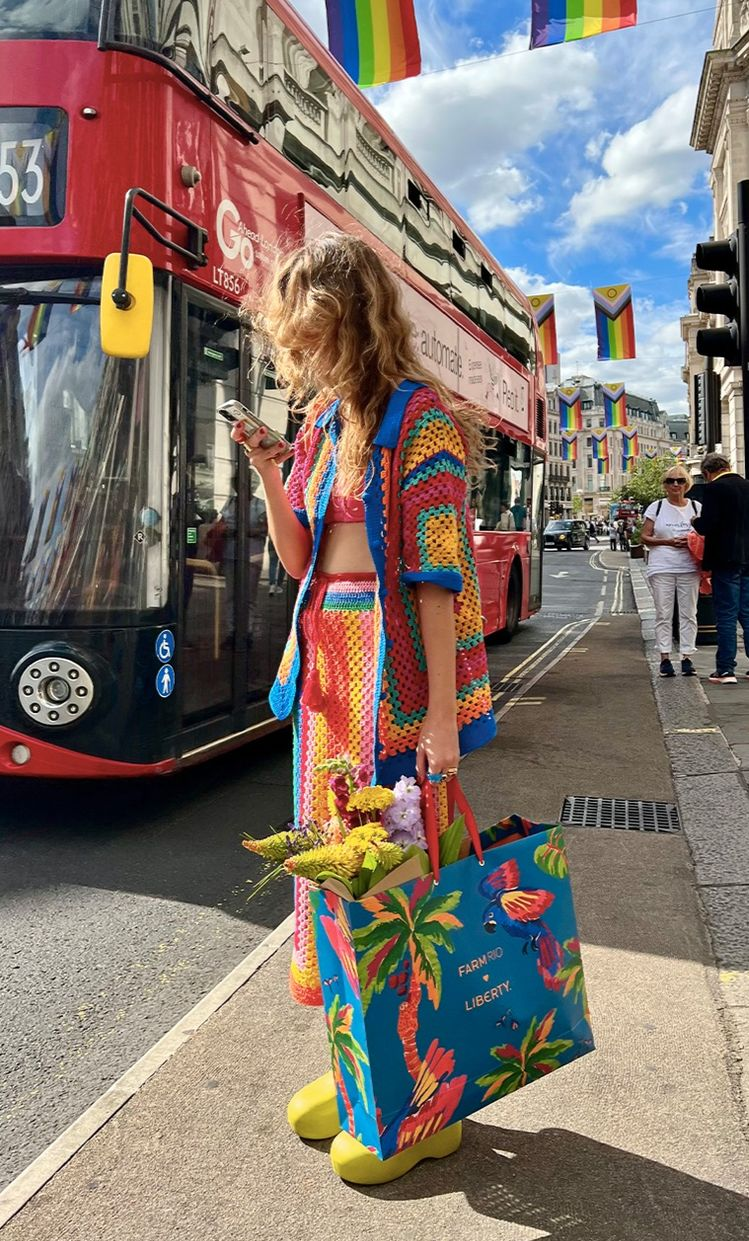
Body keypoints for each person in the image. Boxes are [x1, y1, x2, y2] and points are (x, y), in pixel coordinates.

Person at [231, 232, 496, 1185]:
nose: (299, 354)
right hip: (326, 681)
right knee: (334, 873)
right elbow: (300, 560)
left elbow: (436, 577)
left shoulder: (421, 420)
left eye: (311, 334)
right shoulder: (321, 423)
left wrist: (439, 719)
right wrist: (270, 470)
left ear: (351, 319)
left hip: (392, 685)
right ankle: (358, 1072)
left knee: (395, 883)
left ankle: (418, 1099)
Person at [692, 452, 749, 683]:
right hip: (748, 559)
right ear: (728, 465)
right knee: (747, 614)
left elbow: (707, 525)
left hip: (725, 559)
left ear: (707, 473)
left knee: (726, 615)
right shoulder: (747, 486)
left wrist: (695, 522)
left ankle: (725, 669)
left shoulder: (714, 489)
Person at [641, 466, 701, 677]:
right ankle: (665, 658)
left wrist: (691, 540)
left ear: (687, 484)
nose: (675, 484)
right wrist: (667, 541)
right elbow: (644, 537)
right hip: (662, 566)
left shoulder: (696, 507)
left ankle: (687, 657)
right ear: (665, 485)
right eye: (670, 481)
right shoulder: (656, 507)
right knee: (663, 613)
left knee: (689, 614)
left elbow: (706, 535)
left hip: (689, 567)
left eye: (680, 480)